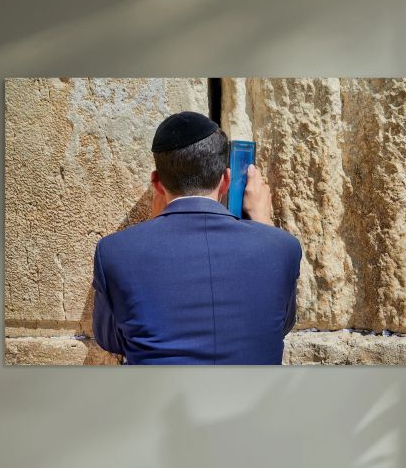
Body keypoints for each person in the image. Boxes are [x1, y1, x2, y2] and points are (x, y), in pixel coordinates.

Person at [91, 111, 302, 365]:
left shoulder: (114, 252)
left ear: (156, 183)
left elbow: (110, 338)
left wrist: (154, 226)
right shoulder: (283, 249)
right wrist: (265, 226)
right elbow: (280, 324)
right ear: (225, 180)